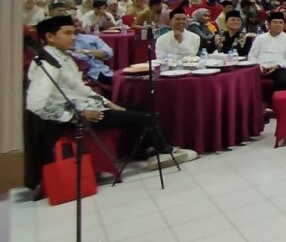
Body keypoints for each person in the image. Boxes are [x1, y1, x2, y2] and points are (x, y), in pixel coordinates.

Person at [26, 16, 194, 171]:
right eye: (67, 33)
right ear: (50, 37)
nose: (73, 37)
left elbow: (80, 89)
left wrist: (107, 103)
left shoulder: (62, 56)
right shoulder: (46, 63)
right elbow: (36, 103)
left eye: (73, 33)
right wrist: (76, 115)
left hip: (90, 105)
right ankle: (163, 152)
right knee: (148, 116)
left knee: (144, 106)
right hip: (79, 115)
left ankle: (149, 150)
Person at [248, 12, 286, 106]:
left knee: (283, 81)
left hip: (278, 67)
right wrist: (258, 66)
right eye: (275, 22)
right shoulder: (260, 38)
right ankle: (251, 104)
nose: (278, 25)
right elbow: (252, 55)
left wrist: (278, 66)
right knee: (244, 78)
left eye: (281, 22)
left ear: (284, 25)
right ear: (269, 24)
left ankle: (269, 103)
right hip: (260, 66)